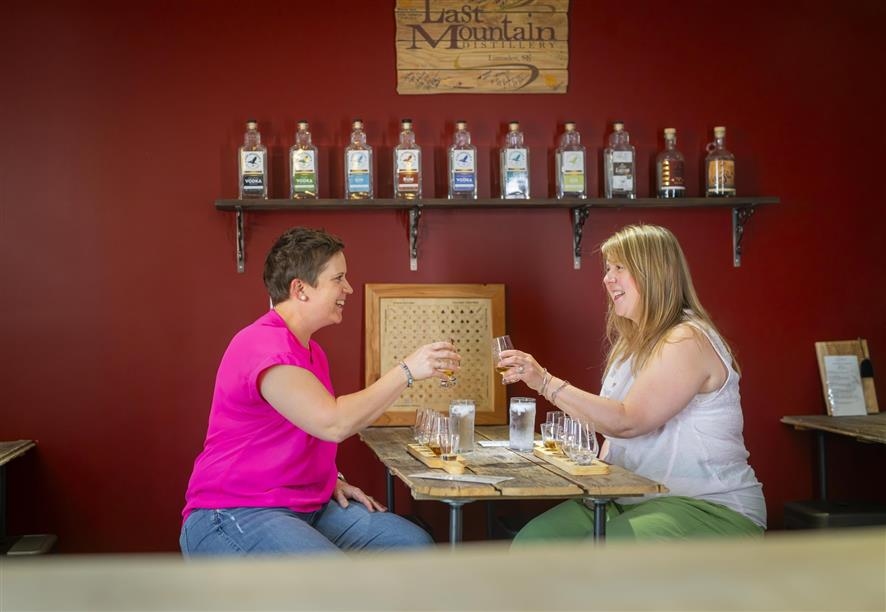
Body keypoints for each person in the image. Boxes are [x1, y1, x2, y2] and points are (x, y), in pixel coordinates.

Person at [180, 227, 459, 556]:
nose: (349, 289)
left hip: (305, 506)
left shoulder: (311, 351)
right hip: (233, 511)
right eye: (338, 279)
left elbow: (306, 432)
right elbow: (334, 423)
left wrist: (329, 480)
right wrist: (407, 371)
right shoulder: (262, 346)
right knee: (330, 579)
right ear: (300, 289)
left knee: (413, 545)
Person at [500, 224, 766, 543]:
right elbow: (615, 436)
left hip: (708, 505)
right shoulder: (629, 346)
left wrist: (543, 382)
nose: (607, 278)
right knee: (535, 541)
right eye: (608, 268)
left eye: (619, 268)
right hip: (629, 497)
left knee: (600, 554)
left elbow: (628, 422)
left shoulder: (686, 339)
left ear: (653, 273)